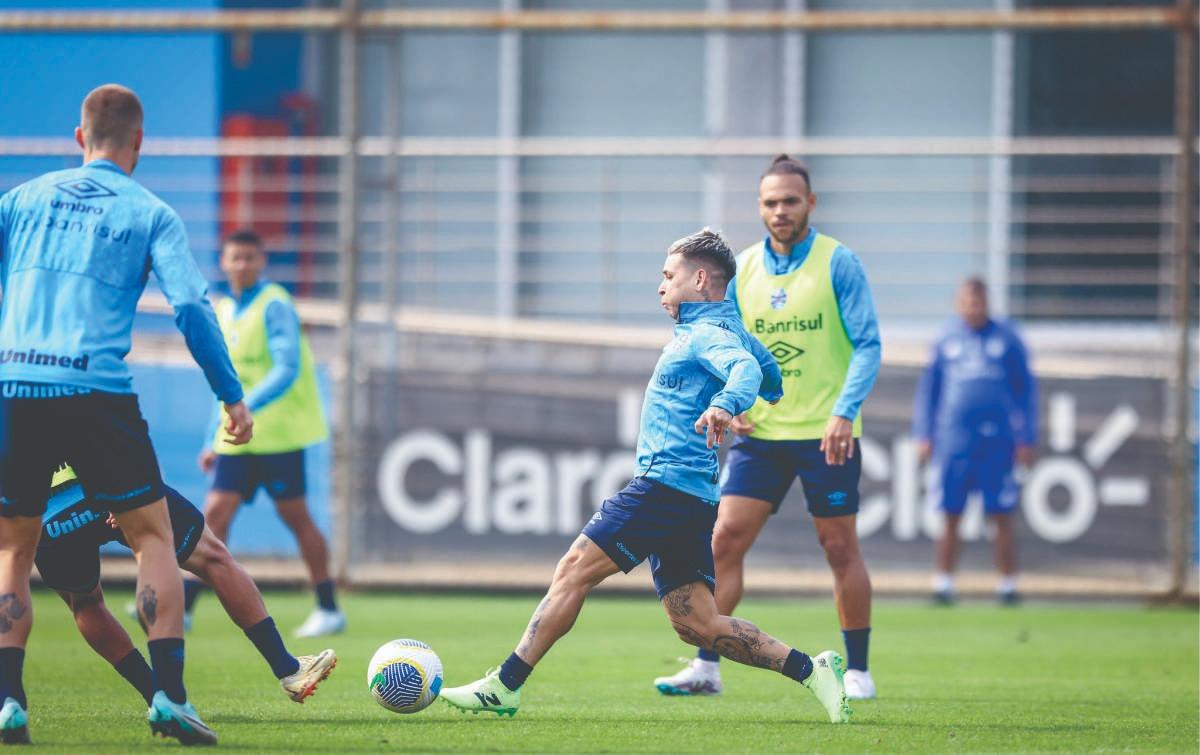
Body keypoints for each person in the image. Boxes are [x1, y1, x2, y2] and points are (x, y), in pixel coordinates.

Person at [439, 229, 852, 725]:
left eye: (668, 276)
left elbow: (743, 369)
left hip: (663, 488)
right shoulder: (725, 327)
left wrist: (725, 403)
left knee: (574, 569)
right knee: (698, 624)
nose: (660, 286)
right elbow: (766, 373)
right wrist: (758, 393)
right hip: (691, 496)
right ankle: (813, 669)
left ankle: (504, 686)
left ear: (699, 279)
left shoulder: (708, 335)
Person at [0, 84, 251, 745]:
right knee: (153, 538)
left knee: (12, 548)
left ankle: (9, 701)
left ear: (78, 138)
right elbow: (193, 310)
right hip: (97, 393)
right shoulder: (151, 213)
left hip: (16, 385)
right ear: (140, 142)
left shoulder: (19, 203)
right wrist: (230, 394)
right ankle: (169, 696)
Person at [654, 155, 881, 701]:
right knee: (724, 541)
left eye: (790, 201)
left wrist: (843, 412)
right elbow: (722, 344)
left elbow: (868, 344)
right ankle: (707, 666)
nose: (780, 211)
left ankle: (858, 671)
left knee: (838, 546)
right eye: (771, 202)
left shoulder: (838, 263)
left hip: (826, 432)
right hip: (763, 436)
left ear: (811, 204)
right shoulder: (745, 269)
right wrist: (731, 403)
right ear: (760, 207)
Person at [35, 464, 337, 705]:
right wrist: (118, 481)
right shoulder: (65, 386)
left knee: (85, 603)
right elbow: (90, 422)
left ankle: (157, 696)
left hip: (43, 516)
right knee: (213, 559)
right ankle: (288, 669)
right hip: (105, 485)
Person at [189, 229, 341, 638]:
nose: (242, 265)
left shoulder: (275, 304)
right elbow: (224, 382)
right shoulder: (222, 309)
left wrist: (246, 407)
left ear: (261, 262)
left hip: (277, 435)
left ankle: (328, 606)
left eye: (250, 258)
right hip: (235, 434)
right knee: (213, 516)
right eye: (235, 258)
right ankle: (184, 604)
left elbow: (287, 368)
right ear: (223, 262)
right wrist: (211, 437)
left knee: (296, 518)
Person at [913, 277, 1037, 605]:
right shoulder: (946, 339)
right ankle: (943, 583)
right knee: (951, 513)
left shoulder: (1007, 338)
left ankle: (1008, 585)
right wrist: (923, 434)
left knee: (1001, 513)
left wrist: (1026, 436)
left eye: (978, 301)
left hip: (998, 442)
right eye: (968, 301)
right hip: (955, 440)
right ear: (959, 304)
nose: (973, 307)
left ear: (987, 303)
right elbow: (930, 391)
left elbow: (1025, 390)